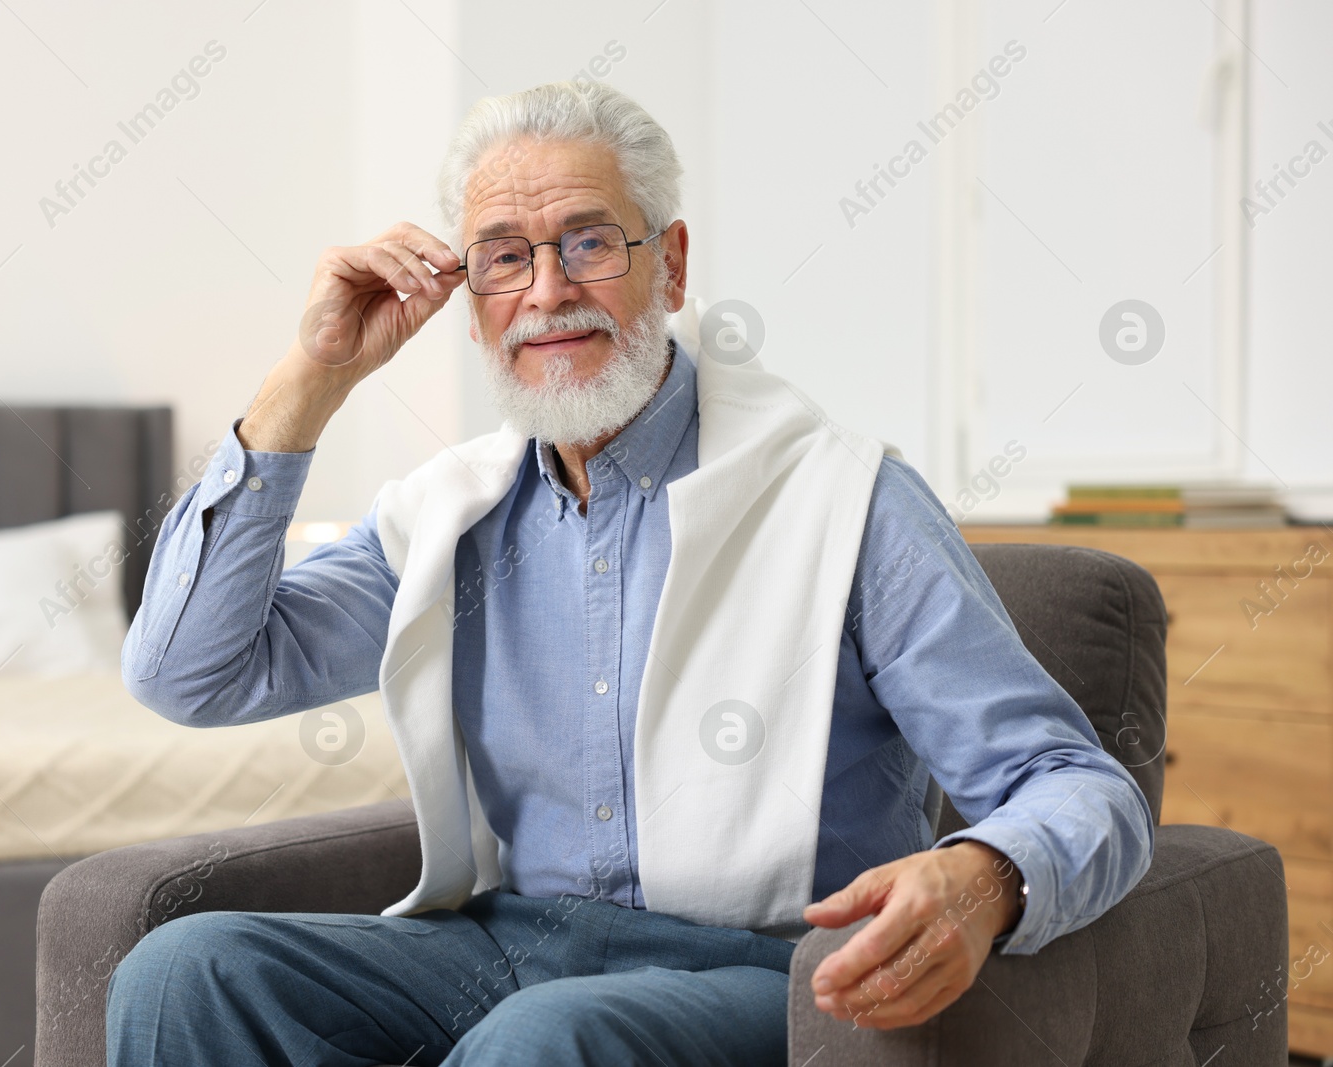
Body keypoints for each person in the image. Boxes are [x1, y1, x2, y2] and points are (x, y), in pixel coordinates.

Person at [107, 80, 1153, 1066]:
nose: (549, 293)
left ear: (674, 264)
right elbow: (188, 674)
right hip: (507, 944)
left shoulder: (848, 500)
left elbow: (1075, 784)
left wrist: (981, 873)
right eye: (504, 257)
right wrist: (314, 377)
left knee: (545, 1041)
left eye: (589, 242)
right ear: (469, 297)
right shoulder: (444, 515)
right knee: (184, 973)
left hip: (757, 964)